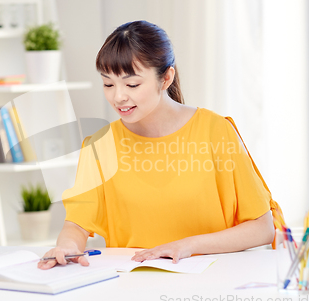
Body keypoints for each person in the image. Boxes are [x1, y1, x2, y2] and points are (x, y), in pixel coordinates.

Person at [38, 20, 285, 270]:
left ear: (166, 78)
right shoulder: (100, 146)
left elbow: (262, 228)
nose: (118, 96)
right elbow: (77, 223)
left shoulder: (215, 131)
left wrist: (187, 246)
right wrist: (68, 247)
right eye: (108, 84)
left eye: (132, 84)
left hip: (212, 280)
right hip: (132, 283)